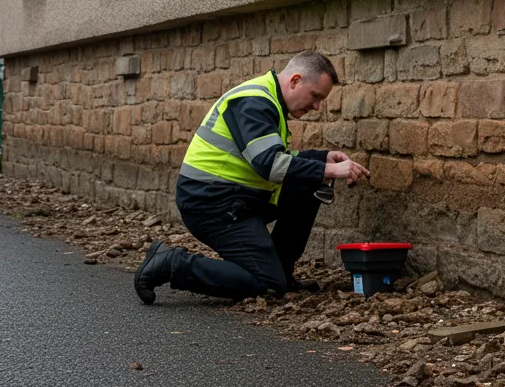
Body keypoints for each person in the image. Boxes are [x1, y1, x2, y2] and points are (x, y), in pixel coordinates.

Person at [133, 50, 368, 304]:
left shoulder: (268, 100)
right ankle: (172, 263)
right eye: (316, 96)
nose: (317, 106)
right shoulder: (254, 101)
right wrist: (330, 170)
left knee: (308, 183)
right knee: (266, 283)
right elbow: (268, 164)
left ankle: (280, 270)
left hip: (233, 198)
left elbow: (273, 156)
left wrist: (321, 159)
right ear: (295, 80)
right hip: (211, 204)